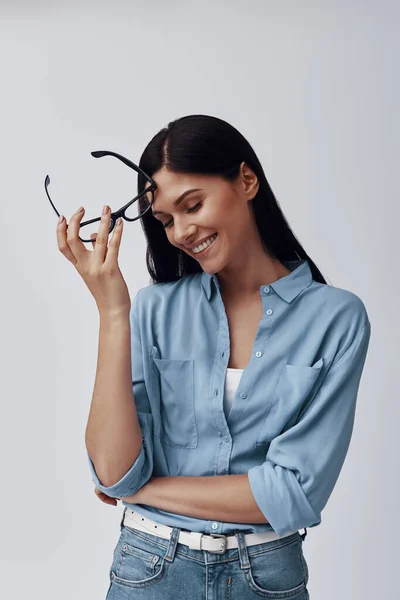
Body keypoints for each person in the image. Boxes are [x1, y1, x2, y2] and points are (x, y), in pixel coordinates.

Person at [57, 114, 371, 599]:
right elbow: (114, 468)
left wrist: (142, 493)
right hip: (149, 570)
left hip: (265, 577)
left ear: (246, 181)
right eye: (165, 220)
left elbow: (295, 493)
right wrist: (113, 311)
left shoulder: (337, 319)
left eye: (193, 204)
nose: (181, 231)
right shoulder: (155, 308)